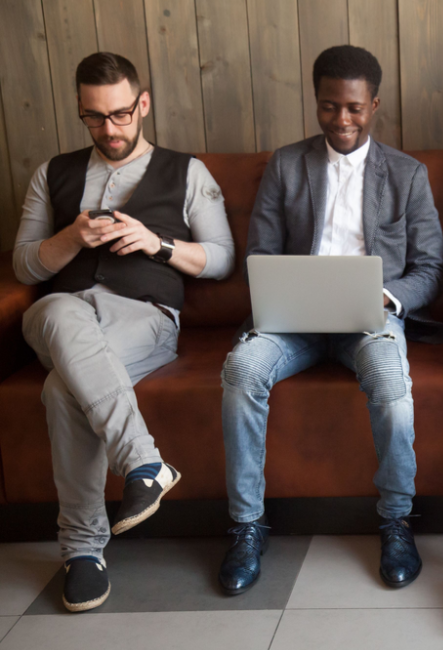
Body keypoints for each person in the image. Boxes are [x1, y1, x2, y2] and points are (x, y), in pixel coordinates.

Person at [218, 45, 443, 595]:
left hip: (370, 317)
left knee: (392, 382)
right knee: (241, 371)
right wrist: (278, 291)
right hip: (292, 321)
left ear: (374, 104)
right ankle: (247, 525)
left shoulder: (407, 174)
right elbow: (261, 254)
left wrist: (387, 299)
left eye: (353, 108)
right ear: (316, 103)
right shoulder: (287, 163)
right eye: (328, 107)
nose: (341, 120)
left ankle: (396, 520)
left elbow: (431, 268)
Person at [13, 52, 235, 612]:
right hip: (61, 312)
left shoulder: (187, 171)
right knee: (58, 312)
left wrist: (157, 244)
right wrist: (71, 239)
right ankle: (142, 463)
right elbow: (23, 266)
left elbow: (222, 259)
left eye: (119, 115)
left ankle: (83, 550)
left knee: (63, 388)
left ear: (143, 104)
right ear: (81, 112)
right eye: (94, 117)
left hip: (144, 316)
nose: (109, 130)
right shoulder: (52, 173)